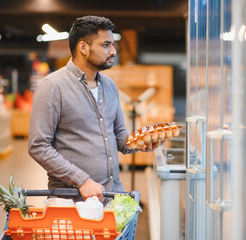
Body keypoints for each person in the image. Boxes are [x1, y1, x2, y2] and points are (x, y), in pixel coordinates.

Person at [28, 16, 163, 202]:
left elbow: (119, 135)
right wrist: (81, 180)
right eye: (106, 45)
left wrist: (140, 143)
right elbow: (38, 146)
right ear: (83, 47)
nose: (113, 51)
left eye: (112, 45)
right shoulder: (52, 86)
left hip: (112, 195)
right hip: (73, 201)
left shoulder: (109, 85)